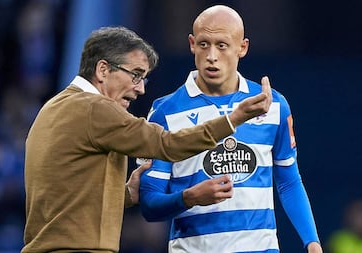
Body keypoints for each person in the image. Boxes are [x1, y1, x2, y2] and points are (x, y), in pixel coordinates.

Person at [22, 26, 272, 253]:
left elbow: (66, 198)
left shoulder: (53, 108)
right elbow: (167, 144)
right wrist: (234, 119)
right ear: (103, 70)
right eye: (136, 75)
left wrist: (128, 194)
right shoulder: (95, 108)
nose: (140, 88)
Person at [139, 5, 323, 253]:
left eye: (222, 45)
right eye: (204, 44)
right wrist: (190, 197)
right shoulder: (164, 113)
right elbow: (150, 203)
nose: (212, 55)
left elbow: (289, 182)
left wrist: (312, 242)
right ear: (192, 44)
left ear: (242, 48)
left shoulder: (272, 105)